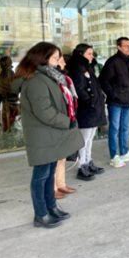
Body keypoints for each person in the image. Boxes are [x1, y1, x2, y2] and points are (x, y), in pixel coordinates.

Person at [14, 42, 83, 228]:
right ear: (42, 58)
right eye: (54, 57)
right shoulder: (35, 80)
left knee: (49, 174)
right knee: (41, 177)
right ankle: (41, 214)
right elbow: (44, 111)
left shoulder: (49, 76)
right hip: (42, 136)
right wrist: (67, 121)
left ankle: (51, 207)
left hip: (51, 134)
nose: (58, 61)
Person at [67, 43, 107, 181]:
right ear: (80, 54)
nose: (92, 56)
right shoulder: (77, 68)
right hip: (87, 109)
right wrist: (90, 102)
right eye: (89, 53)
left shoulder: (87, 67)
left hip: (93, 107)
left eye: (92, 53)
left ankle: (88, 161)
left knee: (90, 138)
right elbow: (80, 89)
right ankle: (81, 166)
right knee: (84, 139)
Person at [99, 37, 129, 168]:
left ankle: (124, 152)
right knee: (114, 128)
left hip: (128, 100)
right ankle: (114, 156)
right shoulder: (113, 62)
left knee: (125, 128)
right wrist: (114, 95)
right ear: (119, 47)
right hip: (116, 102)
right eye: (126, 46)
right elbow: (103, 81)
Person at [53, 54, 79, 198]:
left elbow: (71, 99)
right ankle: (53, 188)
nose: (63, 61)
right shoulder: (52, 80)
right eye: (59, 59)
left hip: (68, 119)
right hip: (58, 122)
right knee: (54, 158)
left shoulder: (65, 78)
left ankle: (61, 184)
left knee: (62, 156)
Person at [0, 56, 19, 132]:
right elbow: (13, 86)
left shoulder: (1, 73)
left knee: (5, 119)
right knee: (10, 119)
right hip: (10, 99)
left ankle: (6, 130)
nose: (11, 61)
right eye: (10, 60)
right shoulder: (10, 73)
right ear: (7, 63)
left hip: (3, 98)